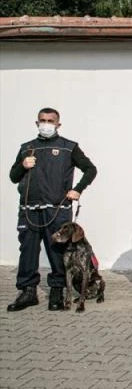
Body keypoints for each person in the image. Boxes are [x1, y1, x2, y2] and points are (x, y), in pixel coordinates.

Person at [7, 108, 97, 312]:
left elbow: (90, 169)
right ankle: (28, 291)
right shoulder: (26, 148)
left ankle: (57, 291)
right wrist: (22, 165)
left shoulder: (68, 147)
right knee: (28, 250)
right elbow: (13, 177)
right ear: (36, 123)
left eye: (50, 120)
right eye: (42, 120)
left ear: (58, 124)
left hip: (56, 209)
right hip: (29, 208)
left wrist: (77, 190)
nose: (46, 124)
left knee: (57, 250)